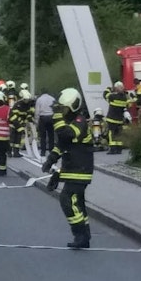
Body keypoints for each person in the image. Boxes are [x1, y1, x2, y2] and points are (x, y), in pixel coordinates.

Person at [41, 87, 93, 249]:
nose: (61, 112)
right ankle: (84, 235)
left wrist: (56, 115)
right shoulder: (71, 122)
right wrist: (51, 162)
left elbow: (66, 135)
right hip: (73, 169)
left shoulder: (80, 122)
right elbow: (61, 145)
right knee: (78, 203)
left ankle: (80, 234)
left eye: (63, 109)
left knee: (67, 200)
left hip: (80, 171)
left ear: (73, 107)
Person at [103, 81, 129, 155]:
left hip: (112, 119)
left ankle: (113, 149)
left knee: (112, 134)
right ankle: (119, 149)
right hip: (120, 120)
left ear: (116, 88)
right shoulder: (124, 98)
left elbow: (105, 95)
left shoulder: (112, 97)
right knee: (119, 134)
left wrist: (109, 89)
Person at [9, 89, 34, 157]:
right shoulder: (18, 105)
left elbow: (28, 114)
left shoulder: (28, 104)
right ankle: (9, 152)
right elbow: (14, 117)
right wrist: (20, 124)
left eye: (28, 99)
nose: (27, 101)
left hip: (20, 124)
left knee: (18, 138)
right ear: (22, 98)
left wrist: (31, 120)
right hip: (13, 124)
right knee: (12, 139)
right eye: (26, 99)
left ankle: (16, 152)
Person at [34, 89, 56, 157]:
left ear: (41, 92)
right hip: (51, 117)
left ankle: (43, 152)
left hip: (43, 118)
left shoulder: (39, 99)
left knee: (42, 135)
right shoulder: (52, 99)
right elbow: (55, 108)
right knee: (51, 135)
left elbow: (37, 111)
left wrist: (36, 121)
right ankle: (51, 149)